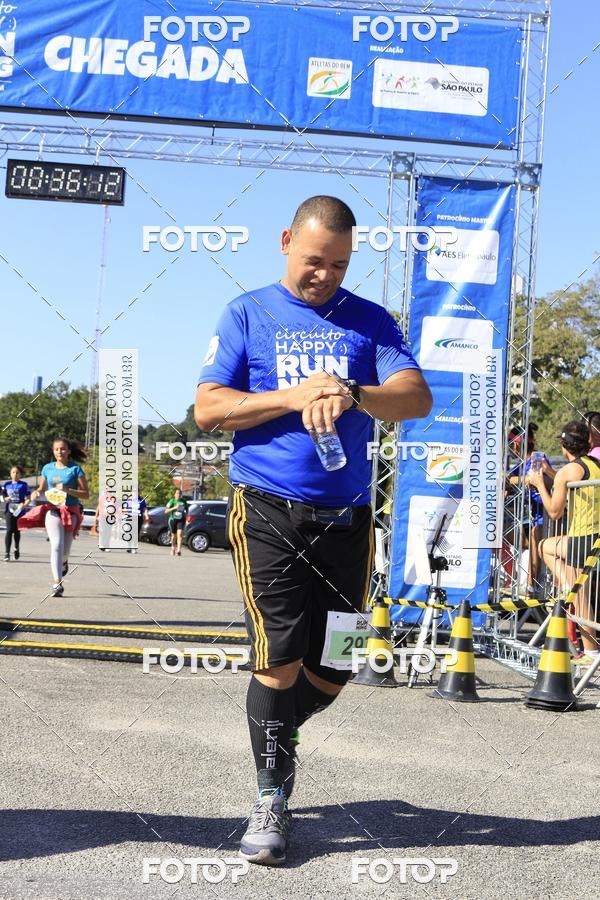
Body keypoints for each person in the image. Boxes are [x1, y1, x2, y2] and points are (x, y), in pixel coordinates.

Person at [195, 196, 432, 866]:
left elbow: (415, 398)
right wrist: (291, 397)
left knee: (337, 663)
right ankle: (272, 795)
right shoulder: (247, 313)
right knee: (279, 659)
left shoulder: (371, 321)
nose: (323, 275)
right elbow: (209, 408)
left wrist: (355, 392)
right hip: (267, 507)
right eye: (311, 260)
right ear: (284, 243)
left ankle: (270, 728)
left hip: (348, 517)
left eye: (337, 264)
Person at [527, 420, 600, 664]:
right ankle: (570, 585)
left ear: (563, 445)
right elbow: (569, 479)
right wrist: (551, 474)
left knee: (580, 595)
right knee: (546, 546)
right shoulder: (593, 464)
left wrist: (540, 484)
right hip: (593, 537)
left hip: (583, 538)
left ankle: (590, 653)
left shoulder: (570, 471)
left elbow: (555, 512)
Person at [26, 437, 89, 596]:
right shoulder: (47, 468)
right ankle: (57, 583)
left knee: (65, 550)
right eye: (56, 449)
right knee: (56, 546)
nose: (59, 452)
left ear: (68, 451)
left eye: (62, 449)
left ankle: (64, 562)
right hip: (52, 510)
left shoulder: (75, 469)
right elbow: (41, 488)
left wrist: (68, 489)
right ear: (53, 452)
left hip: (70, 511)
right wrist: (37, 492)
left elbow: (86, 494)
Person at [507, 424, 555, 597]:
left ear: (516, 444)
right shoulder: (518, 465)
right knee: (498, 536)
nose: (509, 448)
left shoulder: (537, 458)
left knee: (535, 537)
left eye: (509, 443)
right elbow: (508, 481)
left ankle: (530, 587)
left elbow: (538, 479)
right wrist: (509, 484)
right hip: (528, 518)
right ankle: (511, 578)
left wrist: (512, 480)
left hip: (544, 516)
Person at [2, 465, 31, 561]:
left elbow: (28, 498)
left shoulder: (24, 485)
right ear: (10, 474)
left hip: (19, 510)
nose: (15, 474)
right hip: (9, 510)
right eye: (13, 472)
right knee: (9, 530)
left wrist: (24, 505)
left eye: (17, 472)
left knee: (17, 531)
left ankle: (16, 548)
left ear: (20, 474)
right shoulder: (6, 485)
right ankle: (6, 553)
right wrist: (5, 498)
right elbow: (2, 497)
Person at [165, 488, 187, 556]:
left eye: (180, 494)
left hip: (181, 519)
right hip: (173, 519)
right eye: (177, 493)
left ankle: (179, 550)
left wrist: (186, 515)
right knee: (173, 535)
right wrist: (174, 508)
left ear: (181, 495)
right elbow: (166, 511)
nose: (178, 495)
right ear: (174, 494)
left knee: (180, 534)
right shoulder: (172, 501)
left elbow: (186, 509)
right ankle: (173, 547)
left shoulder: (183, 501)